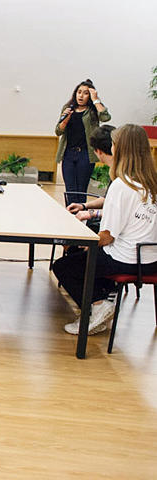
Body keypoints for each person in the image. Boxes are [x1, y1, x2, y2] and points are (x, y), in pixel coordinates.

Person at [52, 124, 157, 335]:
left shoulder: (122, 185)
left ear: (120, 149)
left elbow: (107, 237)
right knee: (86, 256)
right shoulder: (151, 183)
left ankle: (99, 306)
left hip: (125, 260)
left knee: (64, 266)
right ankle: (102, 301)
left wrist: (85, 242)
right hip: (151, 260)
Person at [55, 79, 112, 201]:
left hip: (85, 154)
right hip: (68, 153)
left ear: (90, 96)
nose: (81, 95)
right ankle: (70, 213)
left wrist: (95, 99)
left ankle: (80, 213)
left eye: (85, 93)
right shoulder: (68, 108)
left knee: (81, 190)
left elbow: (105, 117)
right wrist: (65, 120)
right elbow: (58, 131)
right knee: (70, 190)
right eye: (79, 92)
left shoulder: (92, 110)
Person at [66, 125, 115, 225]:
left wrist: (92, 213)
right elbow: (107, 199)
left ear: (98, 151)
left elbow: (119, 212)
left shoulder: (122, 177)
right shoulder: (116, 171)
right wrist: (83, 206)